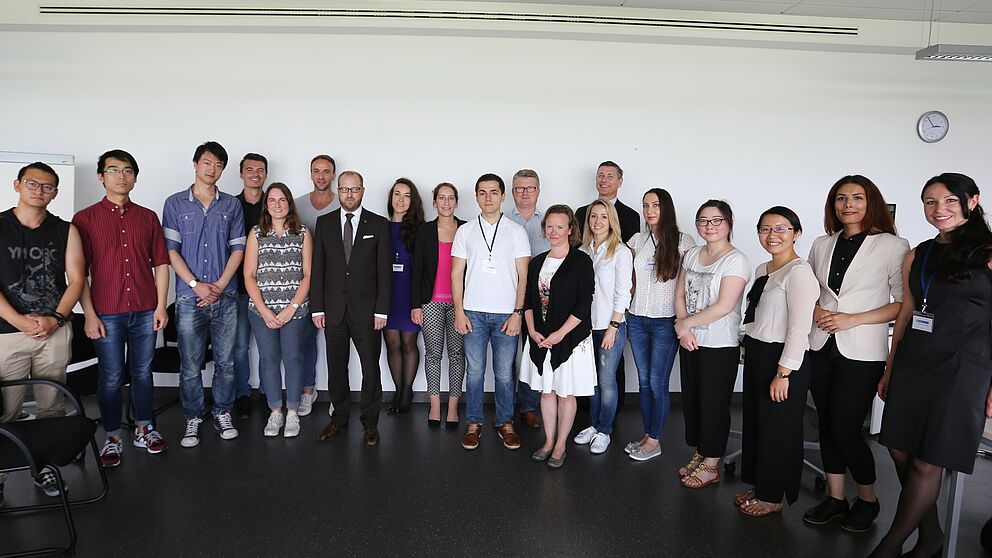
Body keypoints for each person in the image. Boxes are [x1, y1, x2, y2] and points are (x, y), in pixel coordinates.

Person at [870, 173, 992, 558]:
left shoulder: (988, 251)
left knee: (928, 460)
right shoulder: (918, 253)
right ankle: (932, 536)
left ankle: (889, 546)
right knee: (899, 450)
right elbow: (907, 311)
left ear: (972, 201)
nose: (939, 210)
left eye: (949, 201)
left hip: (963, 367)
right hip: (915, 360)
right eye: (930, 202)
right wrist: (890, 368)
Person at [803, 176, 908, 532]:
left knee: (845, 427)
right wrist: (815, 309)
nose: (848, 204)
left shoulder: (894, 246)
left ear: (871, 202)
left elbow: (901, 304)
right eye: (841, 198)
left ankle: (867, 498)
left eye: (857, 198)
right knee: (826, 426)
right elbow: (812, 291)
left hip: (861, 349)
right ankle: (835, 498)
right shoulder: (821, 243)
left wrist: (854, 318)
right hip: (820, 344)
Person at [74, 150, 171, 468]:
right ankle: (113, 438)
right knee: (112, 375)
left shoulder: (147, 217)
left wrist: (160, 307)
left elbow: (161, 264)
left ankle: (145, 429)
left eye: (127, 170)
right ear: (101, 176)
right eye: (113, 170)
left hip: (145, 308)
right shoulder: (85, 219)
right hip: (106, 311)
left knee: (143, 373)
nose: (121, 176)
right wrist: (88, 314)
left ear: (135, 177)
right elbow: (78, 273)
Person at [0, 162, 84, 498]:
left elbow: (76, 279)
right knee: (7, 407)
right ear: (17, 184)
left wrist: (57, 319)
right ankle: (2, 475)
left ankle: (45, 470)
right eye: (33, 184)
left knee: (52, 404)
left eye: (48, 187)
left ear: (56, 193)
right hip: (8, 332)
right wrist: (19, 320)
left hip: (54, 330)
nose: (40, 191)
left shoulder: (65, 230)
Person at [162, 141, 246, 448]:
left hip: (226, 296)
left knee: (226, 362)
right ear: (196, 164)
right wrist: (197, 285)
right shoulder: (174, 204)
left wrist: (220, 286)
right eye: (208, 163)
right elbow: (171, 250)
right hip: (188, 297)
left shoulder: (231, 205)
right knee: (190, 364)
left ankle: (223, 412)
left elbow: (238, 249)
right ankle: (193, 417)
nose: (213, 169)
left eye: (219, 165)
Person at [736, 206, 819, 517]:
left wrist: (783, 372)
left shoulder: (799, 273)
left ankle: (773, 496)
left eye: (781, 229)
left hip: (784, 360)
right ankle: (761, 484)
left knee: (778, 430)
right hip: (759, 353)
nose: (772, 235)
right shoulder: (763, 269)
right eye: (765, 229)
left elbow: (800, 327)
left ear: (796, 233)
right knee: (757, 424)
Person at [311, 171, 391, 447]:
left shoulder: (379, 224)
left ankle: (370, 423)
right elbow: (318, 269)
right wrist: (317, 308)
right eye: (344, 190)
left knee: (371, 368)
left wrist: (381, 311)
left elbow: (384, 272)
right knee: (336, 367)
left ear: (362, 191)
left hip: (368, 313)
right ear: (338, 190)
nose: (349, 195)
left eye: (354, 190)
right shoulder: (324, 223)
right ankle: (339, 419)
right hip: (332, 310)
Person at [673, 200, 750, 487]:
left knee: (714, 404)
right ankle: (701, 452)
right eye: (703, 221)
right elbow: (679, 294)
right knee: (693, 401)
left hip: (719, 344)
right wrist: (684, 329)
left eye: (716, 220)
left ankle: (712, 462)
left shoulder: (735, 260)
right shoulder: (692, 254)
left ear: (729, 224)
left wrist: (684, 325)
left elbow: (724, 306)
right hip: (690, 339)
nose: (710, 226)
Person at [451, 173, 531, 451]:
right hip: (472, 313)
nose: (488, 198)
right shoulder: (465, 231)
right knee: (474, 372)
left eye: (493, 192)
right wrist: (459, 312)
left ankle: (505, 422)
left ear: (502, 196)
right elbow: (456, 273)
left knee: (505, 374)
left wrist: (518, 312)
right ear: (476, 197)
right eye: (482, 193)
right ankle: (474, 423)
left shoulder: (516, 231)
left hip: (507, 314)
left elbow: (524, 275)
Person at [520, 205, 596, 469]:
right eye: (549, 226)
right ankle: (548, 441)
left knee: (566, 394)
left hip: (569, 340)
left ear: (571, 229)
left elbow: (584, 305)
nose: (553, 231)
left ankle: (561, 444)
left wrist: (559, 334)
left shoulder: (581, 261)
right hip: (541, 339)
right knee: (546, 392)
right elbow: (529, 300)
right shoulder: (537, 262)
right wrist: (532, 330)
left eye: (559, 226)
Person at [624, 188, 695, 461]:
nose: (650, 210)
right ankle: (647, 434)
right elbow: (630, 280)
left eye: (655, 205)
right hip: (638, 317)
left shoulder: (684, 241)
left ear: (666, 208)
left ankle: (655, 441)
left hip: (666, 321)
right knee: (643, 382)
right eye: (645, 205)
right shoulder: (637, 239)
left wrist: (685, 321)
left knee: (657, 382)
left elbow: (687, 285)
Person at [243, 183, 313, 438]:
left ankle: (293, 412)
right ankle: (276, 412)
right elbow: (249, 274)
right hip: (262, 311)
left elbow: (308, 274)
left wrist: (292, 308)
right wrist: (264, 310)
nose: (277, 204)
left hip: (295, 310)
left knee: (294, 359)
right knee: (269, 360)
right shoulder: (256, 232)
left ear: (289, 203)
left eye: (282, 199)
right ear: (266, 205)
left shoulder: (303, 232)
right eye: (272, 200)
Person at [575, 161, 641, 409]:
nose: (604, 180)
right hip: (585, 321)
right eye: (600, 175)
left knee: (608, 377)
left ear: (619, 181)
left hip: (610, 319)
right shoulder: (583, 241)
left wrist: (616, 322)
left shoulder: (627, 227)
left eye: (610, 176)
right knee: (590, 376)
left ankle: (608, 422)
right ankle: (592, 421)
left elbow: (624, 283)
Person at [572, 200, 632, 455]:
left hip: (611, 327)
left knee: (607, 382)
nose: (597, 221)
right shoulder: (583, 251)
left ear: (612, 221)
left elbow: (623, 293)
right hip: (586, 328)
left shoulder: (621, 252)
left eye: (604, 217)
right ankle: (594, 426)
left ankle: (605, 430)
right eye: (593, 216)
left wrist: (613, 327)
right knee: (592, 381)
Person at [411, 183, 466, 428]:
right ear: (434, 202)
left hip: (460, 304)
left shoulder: (467, 229)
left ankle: (453, 406)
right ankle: (434, 405)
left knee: (457, 354)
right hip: (430, 302)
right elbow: (417, 270)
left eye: (450, 198)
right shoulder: (424, 231)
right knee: (433, 354)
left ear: (456, 202)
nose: (446, 203)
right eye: (441, 198)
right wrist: (416, 305)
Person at [294, 154, 340, 417]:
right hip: (305, 284)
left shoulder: (341, 205)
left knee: (336, 344)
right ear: (310, 174)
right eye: (316, 171)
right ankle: (308, 391)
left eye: (326, 171)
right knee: (306, 342)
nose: (321, 176)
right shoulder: (298, 206)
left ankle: (338, 394)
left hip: (335, 286)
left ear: (333, 175)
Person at [506, 169, 547, 429]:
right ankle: (506, 406)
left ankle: (529, 406)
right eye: (520, 188)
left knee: (533, 353)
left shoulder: (548, 222)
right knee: (507, 354)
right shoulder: (501, 221)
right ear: (512, 192)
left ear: (538, 191)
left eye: (530, 188)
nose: (525, 193)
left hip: (538, 300)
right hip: (506, 298)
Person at [384, 178, 425, 415]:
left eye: (407, 195)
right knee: (391, 343)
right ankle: (398, 390)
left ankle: (406, 392)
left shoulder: (420, 230)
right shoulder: (380, 226)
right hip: (387, 295)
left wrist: (417, 302)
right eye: (397, 194)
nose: (401, 199)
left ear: (413, 200)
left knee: (408, 342)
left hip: (410, 293)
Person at [233, 153, 267, 420]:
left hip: (269, 292)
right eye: (250, 169)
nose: (255, 174)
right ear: (242, 173)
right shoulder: (230, 206)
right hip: (236, 290)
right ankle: (242, 395)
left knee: (269, 349)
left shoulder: (275, 204)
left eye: (260, 170)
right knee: (239, 347)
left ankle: (268, 394)